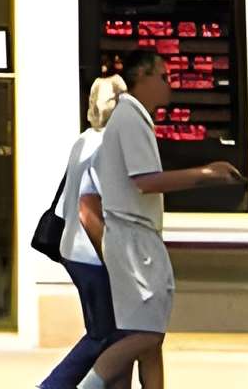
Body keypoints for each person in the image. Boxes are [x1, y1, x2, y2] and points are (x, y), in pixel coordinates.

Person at [82, 45, 239, 389]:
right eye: (164, 76)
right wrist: (206, 174)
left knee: (150, 340)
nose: (171, 84)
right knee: (147, 335)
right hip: (133, 243)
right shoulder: (130, 118)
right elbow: (146, 181)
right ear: (142, 77)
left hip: (138, 239)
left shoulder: (133, 118)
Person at [39, 72, 123, 389]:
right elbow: (91, 210)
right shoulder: (105, 148)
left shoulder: (84, 139)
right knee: (106, 333)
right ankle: (53, 385)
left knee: (106, 330)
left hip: (72, 250)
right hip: (92, 254)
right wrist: (116, 261)